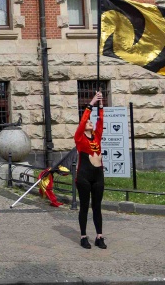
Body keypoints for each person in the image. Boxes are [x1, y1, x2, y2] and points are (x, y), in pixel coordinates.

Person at [74, 91, 107, 249]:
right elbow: (83, 121)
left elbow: (101, 121)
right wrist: (92, 103)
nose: (90, 123)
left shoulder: (97, 136)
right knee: (84, 206)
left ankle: (99, 236)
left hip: (98, 176)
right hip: (84, 177)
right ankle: (83, 236)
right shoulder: (79, 138)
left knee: (97, 207)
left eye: (90, 122)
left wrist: (100, 105)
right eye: (88, 122)